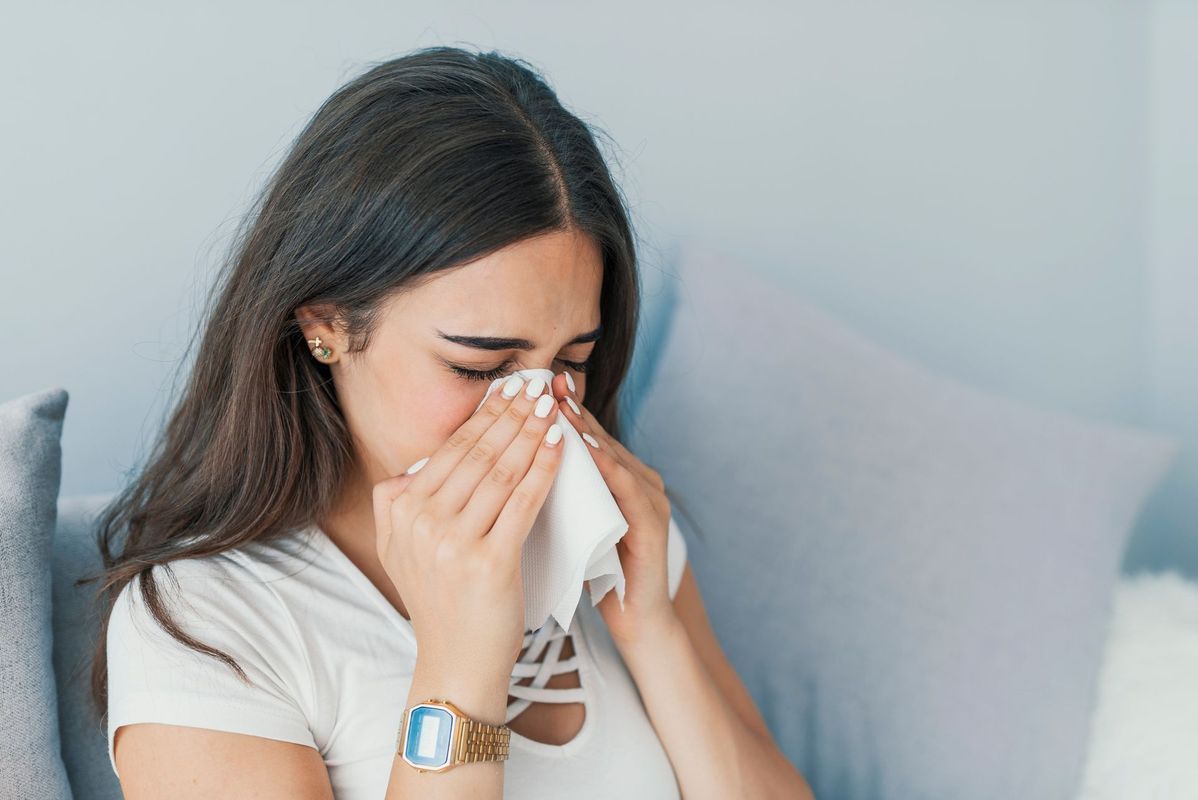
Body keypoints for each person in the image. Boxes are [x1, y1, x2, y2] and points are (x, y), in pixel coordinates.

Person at [86, 45, 813, 799]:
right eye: (479, 366)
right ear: (325, 327)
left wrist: (653, 631)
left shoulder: (620, 541)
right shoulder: (213, 624)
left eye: (571, 360)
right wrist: (461, 661)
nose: (538, 412)